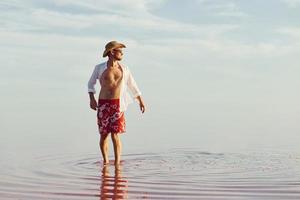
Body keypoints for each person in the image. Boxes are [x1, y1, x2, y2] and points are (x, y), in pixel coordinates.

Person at [88, 41, 145, 166]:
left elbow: (132, 85)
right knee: (104, 135)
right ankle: (106, 162)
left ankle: (118, 163)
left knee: (116, 134)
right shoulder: (99, 68)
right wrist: (92, 98)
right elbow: (90, 83)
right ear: (112, 52)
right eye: (120, 51)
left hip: (118, 105)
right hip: (103, 104)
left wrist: (140, 100)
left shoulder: (124, 69)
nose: (122, 53)